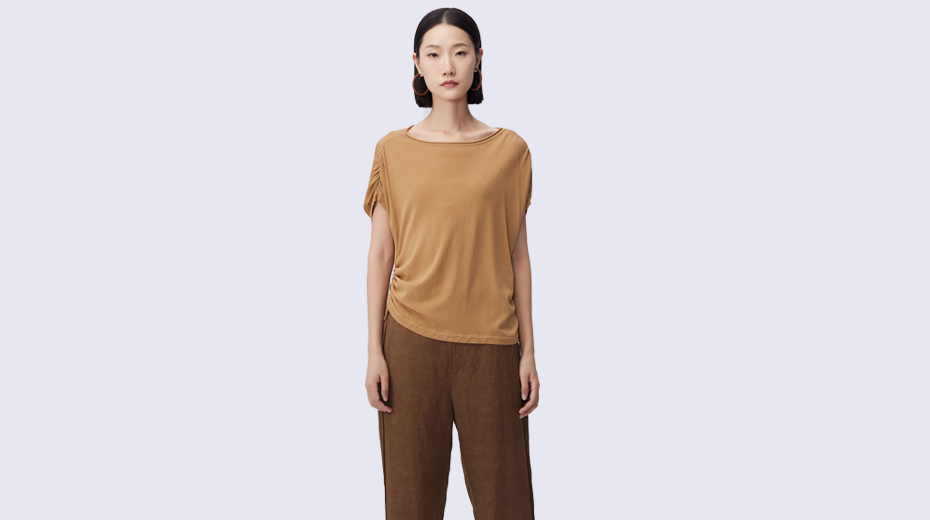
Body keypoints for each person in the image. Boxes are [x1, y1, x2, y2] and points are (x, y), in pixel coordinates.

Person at [363, 8, 539, 520]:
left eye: (460, 52)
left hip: (492, 345)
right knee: (410, 504)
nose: (448, 66)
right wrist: (374, 351)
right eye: (434, 54)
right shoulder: (392, 150)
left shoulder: (510, 151)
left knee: (507, 503)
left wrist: (529, 351)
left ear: (478, 60)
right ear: (416, 63)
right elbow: (380, 254)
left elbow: (518, 256)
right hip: (410, 343)